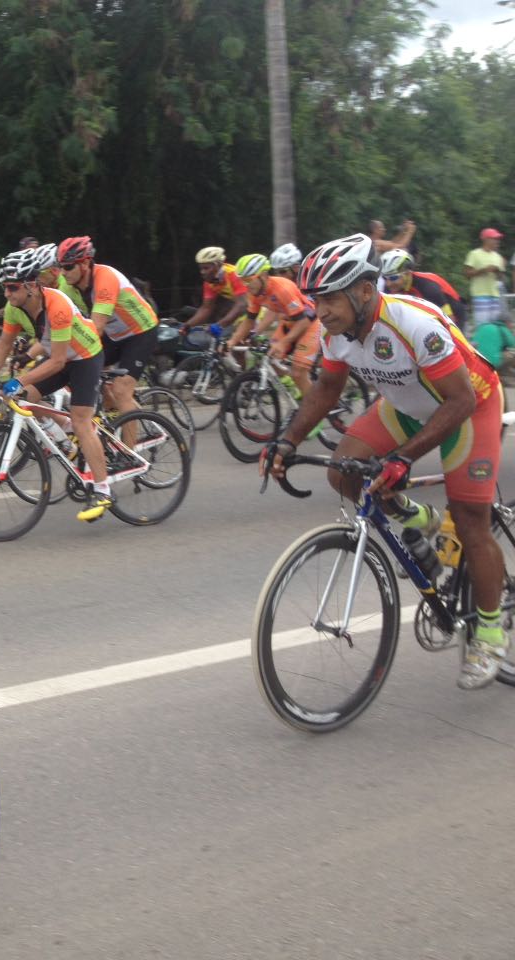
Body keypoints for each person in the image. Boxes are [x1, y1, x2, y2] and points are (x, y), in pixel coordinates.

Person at [262, 233, 507, 689]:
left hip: (467, 405)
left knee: (471, 520)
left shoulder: (415, 323)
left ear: (365, 291)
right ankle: (419, 518)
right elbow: (327, 390)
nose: (323, 310)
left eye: (331, 298)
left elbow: (459, 401)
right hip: (407, 404)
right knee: (343, 472)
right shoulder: (339, 332)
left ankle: (490, 635)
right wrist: (287, 440)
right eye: (317, 299)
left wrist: (402, 459)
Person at [0, 247, 112, 522]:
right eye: (4, 288)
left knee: (82, 419)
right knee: (24, 398)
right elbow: (3, 344)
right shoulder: (15, 309)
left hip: (84, 357)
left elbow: (59, 362)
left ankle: (102, 489)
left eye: (12, 287)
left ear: (30, 286)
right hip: (58, 358)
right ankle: (66, 435)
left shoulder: (57, 305)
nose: (7, 294)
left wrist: (17, 379)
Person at [56, 235, 159, 423]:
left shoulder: (105, 278)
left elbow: (96, 328)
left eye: (68, 266)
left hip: (140, 332)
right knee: (82, 366)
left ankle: (128, 450)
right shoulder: (67, 285)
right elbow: (59, 321)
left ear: (85, 263)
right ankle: (113, 412)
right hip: (116, 334)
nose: (63, 272)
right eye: (60, 266)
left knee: (121, 390)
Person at [227, 253, 319, 398]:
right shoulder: (254, 292)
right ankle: (297, 391)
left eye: (249, 280)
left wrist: (283, 342)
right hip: (289, 323)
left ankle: (315, 417)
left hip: (310, 323)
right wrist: (233, 341)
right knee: (269, 359)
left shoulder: (282, 289)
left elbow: (303, 321)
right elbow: (249, 320)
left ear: (263, 275)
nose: (246, 285)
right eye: (243, 281)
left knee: (298, 372)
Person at [378, 249, 467, 329]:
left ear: (408, 273)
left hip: (454, 312)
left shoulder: (428, 288)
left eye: (393, 278)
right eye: (385, 278)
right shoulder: (391, 287)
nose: (388, 283)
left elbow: (450, 321)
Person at [181, 246, 248, 335]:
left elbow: (242, 304)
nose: (202, 272)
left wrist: (219, 325)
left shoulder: (233, 274)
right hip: (246, 310)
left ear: (217, 265)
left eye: (206, 268)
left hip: (260, 308)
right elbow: (206, 309)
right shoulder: (210, 282)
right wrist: (187, 326)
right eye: (201, 268)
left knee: (233, 336)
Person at [464, 227, 506, 335]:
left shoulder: (498, 257)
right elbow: (467, 274)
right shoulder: (475, 254)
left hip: (495, 295)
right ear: (486, 239)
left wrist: (497, 271)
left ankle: (492, 348)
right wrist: (483, 270)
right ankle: (480, 350)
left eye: (498, 239)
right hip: (480, 294)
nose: (497, 241)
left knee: (494, 325)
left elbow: (502, 278)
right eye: (495, 238)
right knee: (482, 325)